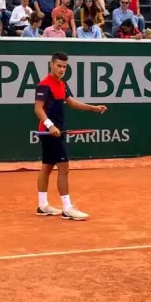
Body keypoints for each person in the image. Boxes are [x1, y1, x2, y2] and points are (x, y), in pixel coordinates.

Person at [34, 52, 108, 221]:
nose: (62, 69)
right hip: (49, 132)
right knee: (64, 167)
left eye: (64, 67)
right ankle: (67, 208)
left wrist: (93, 108)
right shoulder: (44, 85)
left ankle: (43, 205)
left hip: (57, 130)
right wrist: (50, 125)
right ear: (51, 65)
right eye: (59, 66)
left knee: (47, 167)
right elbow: (38, 109)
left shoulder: (62, 84)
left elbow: (71, 102)